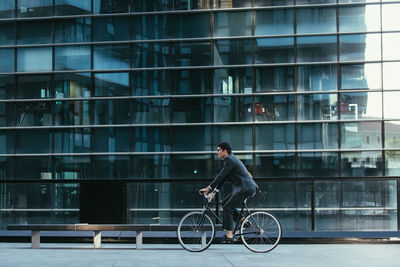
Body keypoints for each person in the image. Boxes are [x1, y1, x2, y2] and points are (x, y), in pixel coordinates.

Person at [199, 142, 258, 240]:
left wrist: (209, 187)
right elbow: (224, 178)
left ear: (225, 151)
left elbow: (221, 176)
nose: (217, 152)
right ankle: (244, 221)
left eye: (218, 150)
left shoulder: (229, 160)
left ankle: (229, 235)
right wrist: (214, 192)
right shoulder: (230, 159)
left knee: (227, 208)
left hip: (245, 188)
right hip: (242, 188)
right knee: (225, 203)